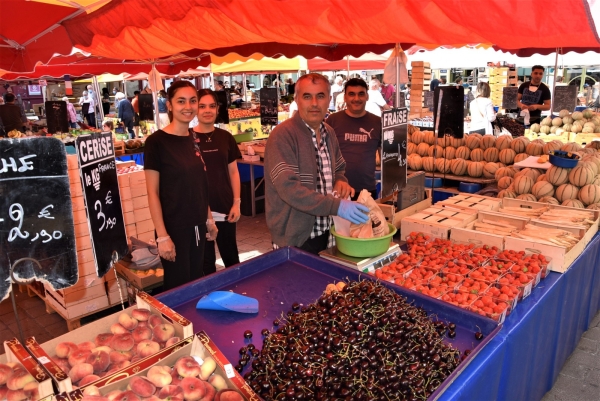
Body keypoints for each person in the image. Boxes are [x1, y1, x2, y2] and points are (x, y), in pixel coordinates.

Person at [264, 73, 370, 254]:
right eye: (307, 96)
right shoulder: (282, 136)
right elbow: (289, 189)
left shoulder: (328, 131)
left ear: (329, 99)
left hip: (328, 233)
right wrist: (337, 206)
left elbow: (338, 167)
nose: (314, 103)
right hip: (295, 238)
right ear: (296, 100)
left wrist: (340, 179)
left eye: (320, 96)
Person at [144, 81, 218, 291]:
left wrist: (209, 219)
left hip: (197, 226)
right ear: (169, 105)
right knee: (178, 288)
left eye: (193, 101)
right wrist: (163, 236)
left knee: (196, 282)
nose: (188, 106)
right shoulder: (156, 142)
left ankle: (193, 324)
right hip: (174, 229)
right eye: (181, 101)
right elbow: (152, 192)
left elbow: (200, 184)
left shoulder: (192, 138)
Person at [193, 89, 242, 272]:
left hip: (225, 208)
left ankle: (238, 297)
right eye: (202, 106)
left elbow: (234, 172)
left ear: (217, 108)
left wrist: (236, 203)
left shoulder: (225, 137)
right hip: (199, 210)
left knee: (231, 258)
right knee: (206, 264)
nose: (207, 110)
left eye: (212, 106)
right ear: (195, 109)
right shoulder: (187, 138)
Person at [326, 78, 382, 200]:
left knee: (366, 220)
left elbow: (385, 158)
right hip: (338, 189)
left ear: (367, 96)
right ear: (345, 97)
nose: (356, 99)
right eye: (351, 94)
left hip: (367, 191)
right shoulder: (332, 121)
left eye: (361, 94)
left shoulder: (378, 122)